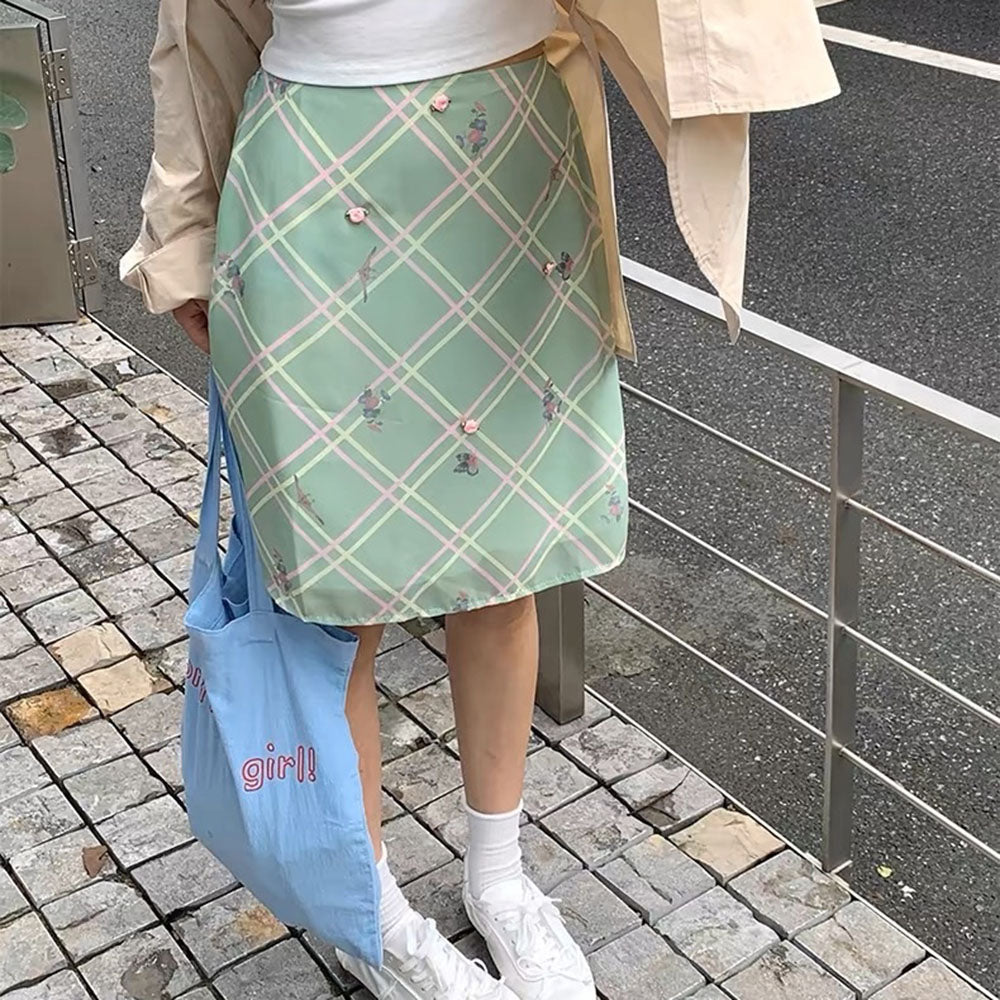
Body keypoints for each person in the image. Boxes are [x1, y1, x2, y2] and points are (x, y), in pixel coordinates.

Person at [123, 2, 838, 998]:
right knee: (338, 598)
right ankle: (368, 915)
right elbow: (195, 41)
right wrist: (181, 232)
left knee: (503, 562)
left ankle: (499, 876)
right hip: (308, 188)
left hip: (508, 172)